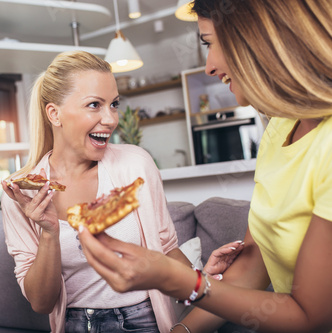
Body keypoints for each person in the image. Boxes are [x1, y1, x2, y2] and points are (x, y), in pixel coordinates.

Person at [77, 0, 332, 332]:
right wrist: (182, 330)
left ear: (258, 38)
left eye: (209, 42)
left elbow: (309, 316)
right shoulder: (280, 128)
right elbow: (254, 265)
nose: (209, 66)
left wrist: (181, 280)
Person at [0, 50, 241, 333]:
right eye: (94, 105)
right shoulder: (21, 192)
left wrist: (201, 282)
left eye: (113, 104)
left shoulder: (136, 164)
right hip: (77, 324)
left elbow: (165, 250)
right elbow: (41, 303)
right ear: (54, 113)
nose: (111, 119)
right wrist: (50, 233)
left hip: (145, 319)